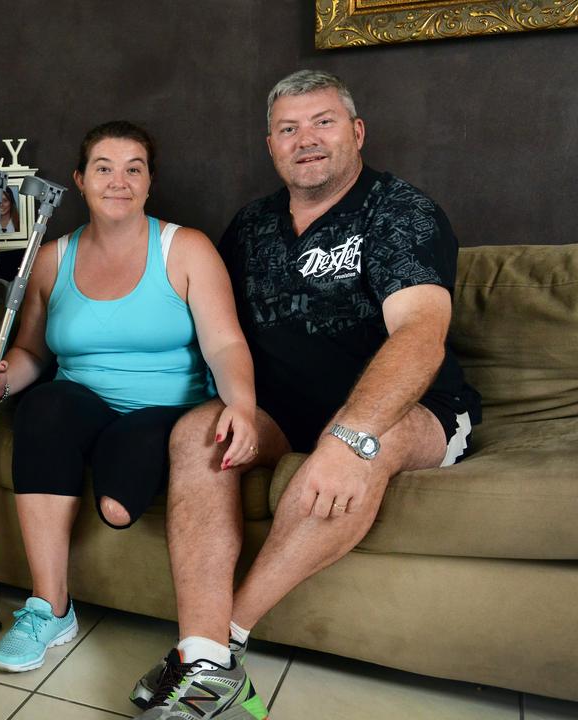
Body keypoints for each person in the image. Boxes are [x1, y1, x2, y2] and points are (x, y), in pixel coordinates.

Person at [129, 70, 482, 720]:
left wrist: (350, 437)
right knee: (197, 435)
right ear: (271, 145)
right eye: (289, 129)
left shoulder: (398, 210)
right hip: (281, 413)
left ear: (356, 131)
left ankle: (220, 643)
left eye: (322, 122)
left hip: (415, 410)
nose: (306, 140)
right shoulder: (251, 225)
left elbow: (421, 334)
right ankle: (205, 658)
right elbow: (207, 324)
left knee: (374, 441)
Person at [0, 121, 258, 676]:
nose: (118, 181)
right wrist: (0, 381)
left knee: (118, 505)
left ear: (149, 182)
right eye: (103, 168)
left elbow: (225, 343)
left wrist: (240, 405)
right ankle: (49, 608)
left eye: (133, 169)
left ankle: (105, 465)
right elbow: (30, 351)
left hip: (166, 412)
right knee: (44, 405)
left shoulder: (185, 247)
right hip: (80, 402)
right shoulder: (51, 259)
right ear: (80, 179)